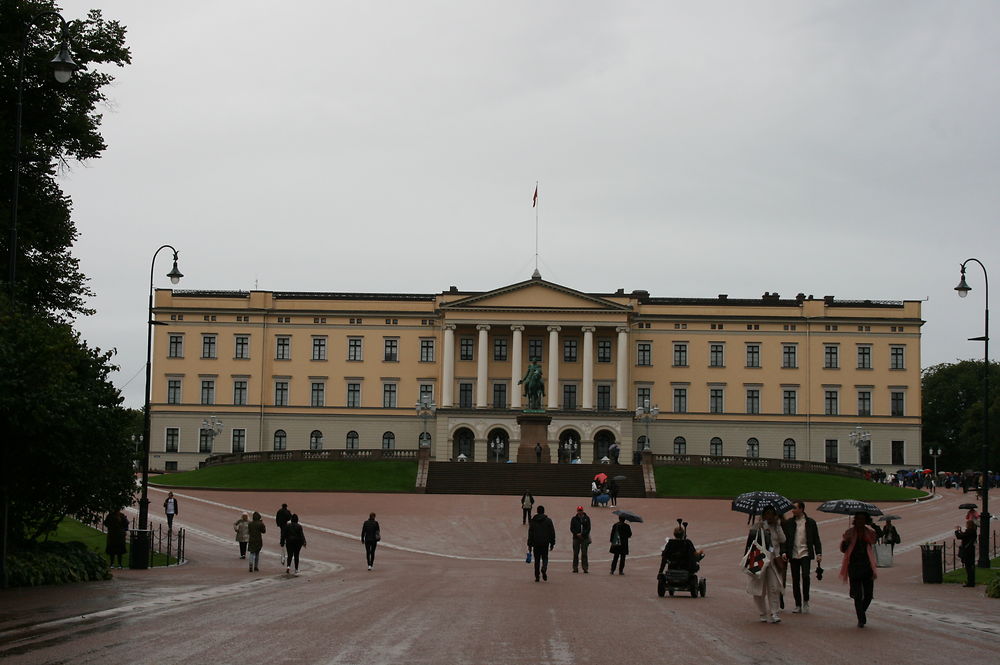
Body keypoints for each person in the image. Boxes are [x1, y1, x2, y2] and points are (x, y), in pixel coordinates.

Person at [745, 506, 786, 623]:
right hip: (759, 559)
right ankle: (762, 612)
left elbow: (783, 540)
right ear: (763, 515)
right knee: (758, 589)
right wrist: (762, 528)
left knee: (774, 587)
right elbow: (752, 541)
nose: (769, 516)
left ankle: (774, 612)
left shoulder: (777, 526)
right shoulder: (757, 526)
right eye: (767, 514)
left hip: (773, 560)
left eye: (771, 514)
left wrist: (777, 527)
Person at [782, 501, 822, 614]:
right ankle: (798, 604)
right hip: (793, 554)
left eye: (795, 508)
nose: (793, 510)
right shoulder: (789, 523)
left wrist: (819, 553)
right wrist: (784, 552)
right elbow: (785, 539)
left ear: (802, 509)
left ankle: (806, 600)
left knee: (805, 576)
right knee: (795, 580)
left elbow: (816, 539)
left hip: (806, 553)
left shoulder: (811, 523)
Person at [840, 512, 877, 627]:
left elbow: (877, 537)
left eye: (863, 519)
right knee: (857, 595)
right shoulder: (849, 533)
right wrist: (846, 542)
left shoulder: (869, 533)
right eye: (858, 519)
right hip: (854, 566)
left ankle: (861, 612)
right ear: (855, 520)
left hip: (867, 566)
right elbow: (843, 549)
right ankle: (861, 619)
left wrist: (873, 525)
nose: (860, 521)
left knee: (869, 595)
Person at [527, 505, 555, 582]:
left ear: (537, 511)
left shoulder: (533, 521)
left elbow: (530, 533)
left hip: (536, 543)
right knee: (545, 557)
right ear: (543, 511)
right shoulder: (548, 521)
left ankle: (537, 576)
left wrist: (529, 544)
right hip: (545, 542)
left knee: (537, 560)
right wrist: (552, 543)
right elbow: (552, 533)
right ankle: (544, 568)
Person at [955, 519, 977, 587]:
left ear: (969, 525)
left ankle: (970, 582)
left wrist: (956, 531)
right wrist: (960, 531)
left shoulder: (969, 531)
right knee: (971, 567)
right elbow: (965, 536)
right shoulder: (973, 531)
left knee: (968, 567)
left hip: (967, 551)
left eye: (967, 524)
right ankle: (971, 582)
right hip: (971, 550)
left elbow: (960, 537)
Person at [569, 506, 591, 573]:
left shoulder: (587, 518)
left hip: (584, 538)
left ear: (583, 511)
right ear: (577, 511)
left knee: (584, 553)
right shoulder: (574, 519)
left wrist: (583, 534)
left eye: (581, 510)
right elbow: (572, 528)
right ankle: (575, 568)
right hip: (576, 538)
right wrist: (577, 534)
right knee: (576, 554)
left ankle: (585, 568)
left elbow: (588, 528)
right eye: (579, 510)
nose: (580, 512)